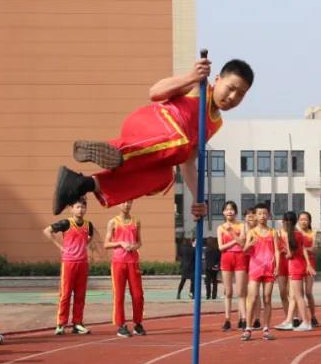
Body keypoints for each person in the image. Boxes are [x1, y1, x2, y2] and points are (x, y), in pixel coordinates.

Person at [52, 57, 254, 216]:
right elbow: (155, 92)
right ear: (218, 79)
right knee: (180, 146)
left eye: (241, 94)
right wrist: (191, 77)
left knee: (164, 178)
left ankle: (81, 184)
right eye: (231, 88)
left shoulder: (216, 124)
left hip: (159, 148)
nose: (233, 97)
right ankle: (115, 150)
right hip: (148, 123)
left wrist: (198, 198)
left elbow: (188, 163)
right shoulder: (198, 87)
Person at [45, 196, 98, 335]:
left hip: (82, 263)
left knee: (80, 295)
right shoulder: (65, 223)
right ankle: (61, 324)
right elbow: (47, 230)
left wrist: (84, 245)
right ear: (71, 209)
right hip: (69, 263)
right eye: (78, 207)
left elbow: (90, 236)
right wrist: (59, 247)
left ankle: (77, 323)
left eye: (83, 207)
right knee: (65, 294)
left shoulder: (88, 225)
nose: (80, 210)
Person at [105, 200, 146, 338]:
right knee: (119, 295)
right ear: (118, 204)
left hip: (133, 262)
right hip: (118, 262)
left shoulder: (136, 221)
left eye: (129, 202)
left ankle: (138, 324)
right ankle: (121, 325)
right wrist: (121, 243)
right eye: (123, 202)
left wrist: (135, 246)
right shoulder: (113, 222)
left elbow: (139, 242)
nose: (126, 205)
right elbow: (106, 244)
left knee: (138, 295)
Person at [242, 203, 280, 341]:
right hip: (255, 268)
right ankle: (248, 328)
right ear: (255, 216)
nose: (262, 216)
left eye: (264, 213)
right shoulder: (252, 232)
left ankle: (266, 329)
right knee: (252, 298)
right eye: (259, 214)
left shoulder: (273, 232)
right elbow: (245, 251)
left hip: (269, 268)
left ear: (268, 215)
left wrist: (277, 266)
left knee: (267, 297)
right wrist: (249, 244)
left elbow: (277, 250)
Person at [275, 210, 315, 332]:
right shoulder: (299, 234)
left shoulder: (289, 236)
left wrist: (283, 248)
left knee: (298, 296)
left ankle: (306, 322)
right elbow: (303, 250)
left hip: (294, 266)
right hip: (300, 264)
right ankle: (289, 321)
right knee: (293, 296)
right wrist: (308, 264)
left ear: (285, 222)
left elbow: (290, 255)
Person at [217, 200, 247, 331]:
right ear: (223, 212)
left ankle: (243, 319)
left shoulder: (242, 226)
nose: (229, 211)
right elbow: (221, 247)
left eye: (232, 209)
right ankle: (227, 319)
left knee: (241, 291)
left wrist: (232, 233)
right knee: (228, 292)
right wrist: (235, 241)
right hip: (226, 258)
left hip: (240, 257)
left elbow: (243, 243)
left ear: (236, 212)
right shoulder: (220, 228)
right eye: (227, 209)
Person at [297, 211, 319, 327]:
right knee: (298, 293)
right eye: (301, 219)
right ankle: (301, 317)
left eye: (305, 219)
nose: (303, 222)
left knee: (308, 292)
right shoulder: (295, 233)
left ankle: (313, 316)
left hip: (310, 263)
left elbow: (315, 249)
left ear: (309, 221)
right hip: (298, 263)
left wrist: (304, 249)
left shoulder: (313, 233)